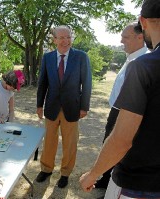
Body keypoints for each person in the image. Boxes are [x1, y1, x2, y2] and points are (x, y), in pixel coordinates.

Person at [80, 0, 160, 198]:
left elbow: (122, 140)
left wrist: (92, 175)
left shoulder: (144, 67)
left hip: (140, 184)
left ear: (143, 22)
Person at [36, 25, 92, 188]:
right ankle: (46, 169)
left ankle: (65, 173)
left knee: (70, 143)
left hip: (72, 107)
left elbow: (87, 83)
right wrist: (39, 105)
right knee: (49, 141)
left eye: (68, 37)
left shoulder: (81, 57)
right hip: (51, 107)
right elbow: (42, 83)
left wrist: (84, 107)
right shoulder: (48, 57)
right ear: (54, 40)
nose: (65, 41)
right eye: (61, 38)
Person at [94, 22, 148, 189]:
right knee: (108, 143)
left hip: (126, 112)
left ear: (140, 37)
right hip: (116, 110)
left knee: (117, 147)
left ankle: (112, 185)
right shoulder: (131, 57)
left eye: (126, 37)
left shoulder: (143, 62)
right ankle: (105, 180)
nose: (121, 41)